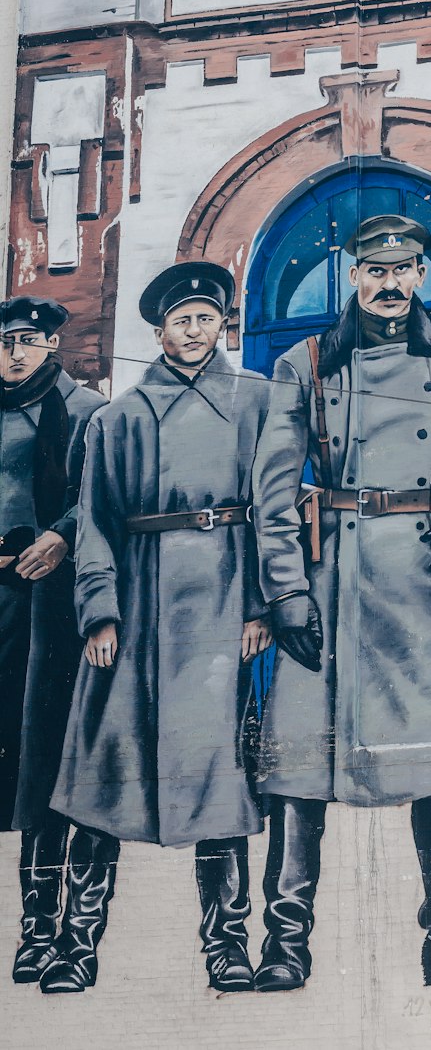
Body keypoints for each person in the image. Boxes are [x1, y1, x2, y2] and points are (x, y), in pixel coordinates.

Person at [251, 215, 431, 993]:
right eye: (376, 270)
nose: (392, 284)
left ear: (420, 277)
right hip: (333, 574)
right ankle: (287, 940)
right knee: (300, 764)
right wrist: (286, 593)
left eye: (405, 270)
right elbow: (271, 493)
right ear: (353, 275)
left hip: (422, 571)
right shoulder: (303, 363)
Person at [44, 262, 272, 994]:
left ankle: (228, 947)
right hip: (137, 612)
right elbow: (96, 525)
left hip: (221, 605)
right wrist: (99, 612)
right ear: (159, 332)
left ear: (223, 325)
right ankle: (77, 946)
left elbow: (276, 512)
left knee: (219, 781)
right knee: (103, 778)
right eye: (182, 320)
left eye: (207, 318)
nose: (195, 330)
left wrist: (262, 604)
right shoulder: (119, 420)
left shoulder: (259, 403)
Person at [0, 298, 104, 985]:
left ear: (52, 344)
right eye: (6, 342)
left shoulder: (88, 410)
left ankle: (45, 928)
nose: (15, 354)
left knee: (44, 757)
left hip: (52, 605)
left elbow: (103, 492)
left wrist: (62, 532)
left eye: (29, 341)